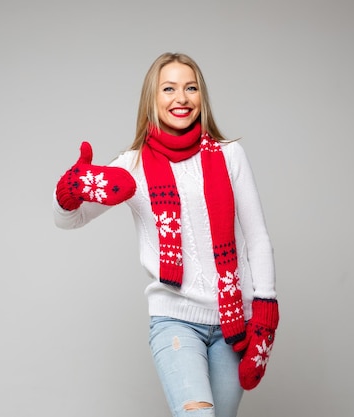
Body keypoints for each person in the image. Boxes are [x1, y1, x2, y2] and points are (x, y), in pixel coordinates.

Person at [53, 52, 279, 417]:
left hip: (234, 322)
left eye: (191, 88)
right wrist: (68, 190)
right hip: (175, 320)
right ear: (152, 99)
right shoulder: (132, 165)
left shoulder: (230, 155)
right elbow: (70, 219)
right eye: (169, 88)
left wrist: (266, 310)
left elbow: (257, 239)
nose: (182, 98)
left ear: (201, 97)